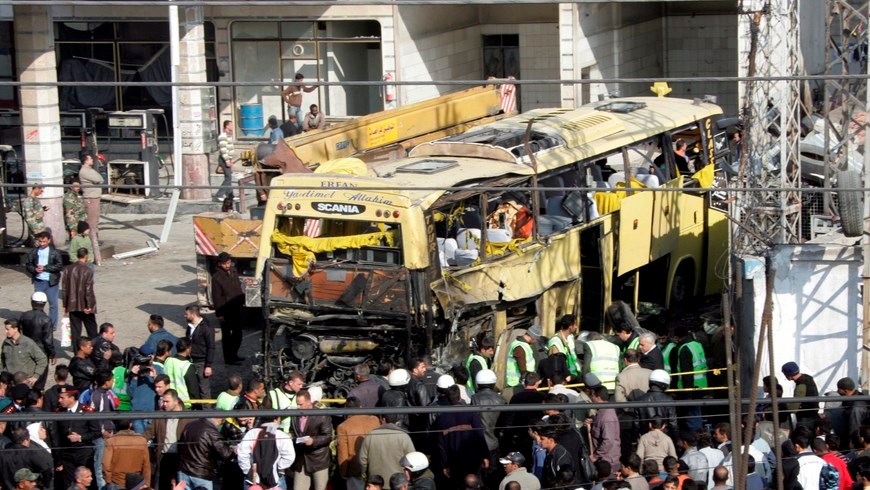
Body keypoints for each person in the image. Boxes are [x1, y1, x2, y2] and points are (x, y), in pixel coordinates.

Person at [432, 385, 490, 486]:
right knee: (475, 483)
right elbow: (479, 435)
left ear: (448, 399)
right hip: (473, 460)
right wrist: (485, 455)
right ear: (460, 396)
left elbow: (441, 446)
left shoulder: (442, 419)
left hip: (455, 461)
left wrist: (445, 465)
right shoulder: (471, 413)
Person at [52, 386, 101, 489]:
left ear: (72, 398)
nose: (59, 400)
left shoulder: (87, 411)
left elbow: (96, 432)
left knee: (87, 481)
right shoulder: (59, 412)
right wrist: (58, 459)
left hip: (83, 453)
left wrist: (81, 437)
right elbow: (56, 436)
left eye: (62, 398)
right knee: (68, 484)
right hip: (67, 455)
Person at [143, 389, 189, 490]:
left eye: (167, 401)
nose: (164, 404)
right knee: (163, 485)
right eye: (163, 401)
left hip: (180, 458)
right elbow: (149, 432)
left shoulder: (187, 417)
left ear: (176, 401)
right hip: (163, 457)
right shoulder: (160, 416)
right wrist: (138, 441)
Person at [237, 415, 296, 490]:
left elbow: (242, 454)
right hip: (275, 480)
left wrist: (248, 470)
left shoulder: (251, 433)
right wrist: (278, 468)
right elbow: (289, 456)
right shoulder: (282, 435)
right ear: (277, 419)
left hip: (253, 479)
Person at [290, 389, 333, 490]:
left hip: (318, 460)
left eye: (301, 404)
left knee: (320, 488)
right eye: (297, 404)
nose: (298, 407)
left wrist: (313, 441)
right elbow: (293, 430)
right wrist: (290, 435)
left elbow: (328, 436)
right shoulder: (295, 415)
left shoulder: (321, 415)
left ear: (309, 402)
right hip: (301, 460)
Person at [178, 414, 236, 490]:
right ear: (219, 420)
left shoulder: (190, 425)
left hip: (184, 471)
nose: (219, 426)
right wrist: (233, 450)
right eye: (221, 423)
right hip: (202, 474)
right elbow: (226, 454)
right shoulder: (212, 432)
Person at [337, 397, 381, 490]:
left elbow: (343, 453)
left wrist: (343, 472)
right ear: (360, 406)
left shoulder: (343, 426)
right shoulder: (374, 420)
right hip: (375, 467)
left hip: (355, 469)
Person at [359, 413, 416, 484]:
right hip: (398, 483)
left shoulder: (370, 436)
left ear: (383, 419)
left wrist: (364, 475)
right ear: (396, 420)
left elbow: (362, 461)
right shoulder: (404, 437)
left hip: (376, 482)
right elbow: (412, 459)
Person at [212, 252, 245, 364]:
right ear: (220, 264)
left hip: (237, 307)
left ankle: (234, 355)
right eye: (225, 263)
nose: (227, 265)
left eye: (229, 262)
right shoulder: (217, 277)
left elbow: (238, 287)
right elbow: (217, 297)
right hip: (225, 311)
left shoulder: (233, 271)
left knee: (238, 333)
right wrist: (220, 314)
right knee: (227, 337)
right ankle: (229, 359)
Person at [25, 231, 63, 331]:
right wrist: (34, 269)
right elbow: (28, 264)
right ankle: (38, 323)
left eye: (44, 242)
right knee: (37, 303)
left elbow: (59, 266)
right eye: (40, 241)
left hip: (51, 282)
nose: (42, 244)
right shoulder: (34, 251)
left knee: (53, 304)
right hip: (39, 281)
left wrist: (45, 268)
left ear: (49, 241)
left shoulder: (55, 252)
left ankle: (52, 325)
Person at [63, 247, 98, 350]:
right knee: (92, 330)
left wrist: (65, 305)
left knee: (75, 331)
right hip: (85, 306)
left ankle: (77, 352)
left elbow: (65, 289)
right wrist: (89, 305)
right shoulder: (87, 270)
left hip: (72, 305)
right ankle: (94, 350)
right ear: (85, 256)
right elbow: (88, 290)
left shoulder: (67, 269)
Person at [19, 292, 55, 383]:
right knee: (40, 377)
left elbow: (20, 332)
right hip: (41, 351)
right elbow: (48, 340)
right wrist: (52, 354)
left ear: (32, 302)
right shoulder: (46, 319)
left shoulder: (24, 315)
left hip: (26, 349)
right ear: (45, 304)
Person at [102, 419, 150, 487]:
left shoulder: (111, 441)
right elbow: (146, 465)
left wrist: (108, 481)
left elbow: (106, 464)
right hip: (136, 482)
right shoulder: (142, 441)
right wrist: (146, 483)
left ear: (115, 426)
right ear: (130, 425)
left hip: (116, 482)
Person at [2, 320, 47, 388]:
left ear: (15, 329)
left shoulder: (28, 343)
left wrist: (36, 376)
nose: (6, 331)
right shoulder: (6, 343)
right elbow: (2, 360)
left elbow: (42, 359)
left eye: (8, 329)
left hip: (23, 383)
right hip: (9, 382)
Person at [183, 305, 215, 397]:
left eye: (186, 314)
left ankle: (206, 409)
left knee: (204, 388)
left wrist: (208, 365)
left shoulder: (206, 328)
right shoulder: (190, 326)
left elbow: (211, 347)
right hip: (190, 360)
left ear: (193, 314)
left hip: (201, 362)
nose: (185, 316)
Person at [79, 152, 104, 265]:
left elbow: (99, 178)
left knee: (96, 221)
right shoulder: (85, 171)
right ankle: (91, 246)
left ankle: (94, 242)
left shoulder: (89, 170)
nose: (92, 160)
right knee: (92, 223)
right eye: (90, 159)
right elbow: (99, 179)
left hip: (95, 197)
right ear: (85, 160)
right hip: (91, 198)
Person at [163, 336, 201, 408]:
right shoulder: (187, 366)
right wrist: (198, 405)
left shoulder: (168, 361)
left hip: (168, 403)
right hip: (184, 405)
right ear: (188, 349)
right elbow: (193, 390)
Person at [590, 385, 621, 470]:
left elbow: (608, 440)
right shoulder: (601, 412)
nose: (591, 398)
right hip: (604, 459)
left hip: (609, 461)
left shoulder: (607, 415)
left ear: (598, 397)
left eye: (592, 396)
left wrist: (596, 455)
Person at [782, 361, 820, 428]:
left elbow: (793, 408)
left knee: (803, 436)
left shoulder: (801, 385)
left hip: (805, 417)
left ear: (788, 374)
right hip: (813, 414)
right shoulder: (808, 379)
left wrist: (783, 406)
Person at [215, 120, 236, 202]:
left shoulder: (228, 136)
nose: (232, 126)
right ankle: (219, 194)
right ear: (226, 126)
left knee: (229, 176)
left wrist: (230, 159)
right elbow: (223, 149)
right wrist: (227, 160)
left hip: (228, 159)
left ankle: (230, 195)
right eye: (231, 125)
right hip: (224, 159)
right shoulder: (223, 136)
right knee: (228, 177)